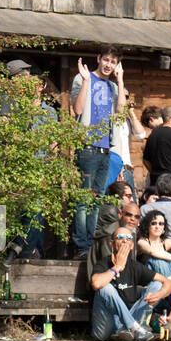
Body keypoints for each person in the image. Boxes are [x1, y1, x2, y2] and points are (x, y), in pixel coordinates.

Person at [70, 46, 124, 256]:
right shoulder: (83, 78)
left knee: (96, 201)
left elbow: (120, 112)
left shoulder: (113, 87)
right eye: (107, 60)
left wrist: (120, 81)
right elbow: (78, 110)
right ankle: (81, 246)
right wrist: (85, 81)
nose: (109, 65)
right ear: (99, 59)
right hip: (87, 147)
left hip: (105, 150)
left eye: (114, 62)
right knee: (83, 201)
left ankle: (90, 247)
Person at [88, 222, 171, 341]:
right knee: (105, 288)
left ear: (132, 245)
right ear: (112, 243)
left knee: (157, 285)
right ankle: (135, 328)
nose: (124, 241)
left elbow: (169, 283)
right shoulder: (103, 263)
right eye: (120, 237)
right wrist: (117, 267)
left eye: (128, 238)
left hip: (126, 324)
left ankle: (130, 328)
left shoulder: (135, 266)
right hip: (105, 324)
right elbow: (96, 284)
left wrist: (159, 294)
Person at [136, 210, 171, 279]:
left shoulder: (166, 242)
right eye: (153, 223)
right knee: (158, 260)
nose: (157, 226)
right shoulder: (142, 241)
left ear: (164, 227)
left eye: (161, 224)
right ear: (147, 226)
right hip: (148, 278)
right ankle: (170, 284)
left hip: (167, 275)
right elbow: (153, 252)